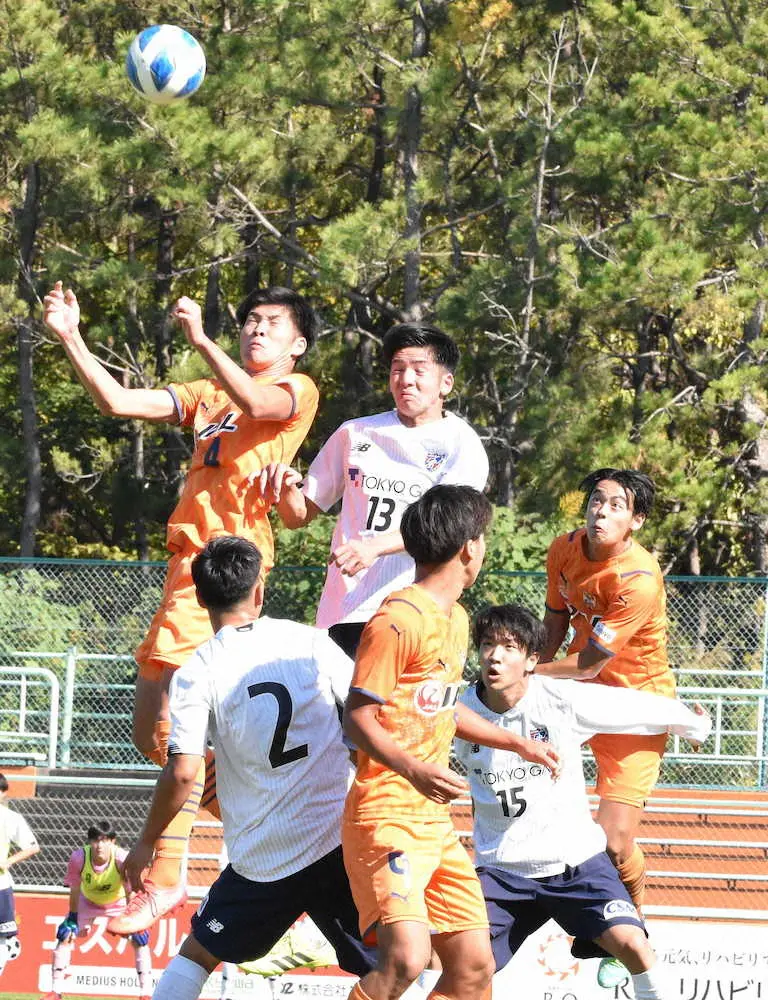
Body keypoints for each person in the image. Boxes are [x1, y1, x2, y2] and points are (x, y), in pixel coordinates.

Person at [43, 282, 320, 932]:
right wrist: (70, 337)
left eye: (270, 323)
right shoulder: (207, 396)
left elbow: (257, 399)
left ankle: (166, 878)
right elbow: (115, 401)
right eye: (249, 320)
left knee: (177, 719)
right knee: (153, 732)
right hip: (184, 569)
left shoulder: (295, 390)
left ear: (297, 343)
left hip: (228, 562)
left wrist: (200, 338)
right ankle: (271, 817)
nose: (255, 329)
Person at [122, 536, 375, 1000]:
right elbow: (365, 713)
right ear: (260, 588)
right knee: (398, 964)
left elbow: (182, 772)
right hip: (335, 840)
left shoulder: (198, 670)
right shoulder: (311, 643)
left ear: (200, 598)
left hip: (263, 858)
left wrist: (145, 844)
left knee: (197, 956)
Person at [341, 485, 560, 1000]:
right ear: (469, 548)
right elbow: (357, 718)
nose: (483, 547)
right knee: (406, 960)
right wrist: (414, 769)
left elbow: (438, 707)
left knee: (474, 967)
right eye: (482, 537)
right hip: (385, 816)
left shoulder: (457, 619)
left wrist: (516, 743)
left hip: (433, 824)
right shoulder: (398, 620)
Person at [455, 604, 711, 999]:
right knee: (460, 966)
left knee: (634, 946)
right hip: (501, 869)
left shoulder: (557, 698)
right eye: (487, 644)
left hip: (576, 863)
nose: (495, 655)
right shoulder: (459, 713)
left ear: (531, 660)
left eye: (508, 647)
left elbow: (627, 707)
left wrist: (692, 723)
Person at [258, 322, 489, 658]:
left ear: (445, 383)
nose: (406, 379)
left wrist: (374, 547)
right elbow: (298, 515)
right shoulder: (355, 433)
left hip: (417, 609)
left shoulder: (461, 444)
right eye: (397, 369)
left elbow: (449, 528)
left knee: (399, 710)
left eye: (418, 370)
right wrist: (284, 486)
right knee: (339, 709)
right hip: (345, 608)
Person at [536, 468, 673, 986]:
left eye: (618, 505)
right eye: (597, 500)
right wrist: (528, 680)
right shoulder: (563, 549)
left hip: (635, 708)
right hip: (572, 698)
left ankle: (632, 920)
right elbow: (553, 622)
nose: (602, 511)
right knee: (533, 799)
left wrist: (529, 672)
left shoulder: (638, 577)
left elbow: (592, 660)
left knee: (614, 844)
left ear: (635, 521)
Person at [41, 821, 152, 1000]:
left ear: (113, 842)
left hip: (118, 903)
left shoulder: (122, 859)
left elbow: (130, 890)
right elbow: (75, 888)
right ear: (89, 842)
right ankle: (56, 991)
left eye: (105, 840)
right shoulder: (79, 858)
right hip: (88, 902)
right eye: (95, 840)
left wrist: (133, 919)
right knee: (65, 935)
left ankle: (145, 993)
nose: (100, 845)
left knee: (140, 938)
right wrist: (72, 917)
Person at [0, 773, 39, 979]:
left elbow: (32, 847)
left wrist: (7, 862)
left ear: (3, 793)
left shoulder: (10, 818)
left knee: (2, 936)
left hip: (0, 886)